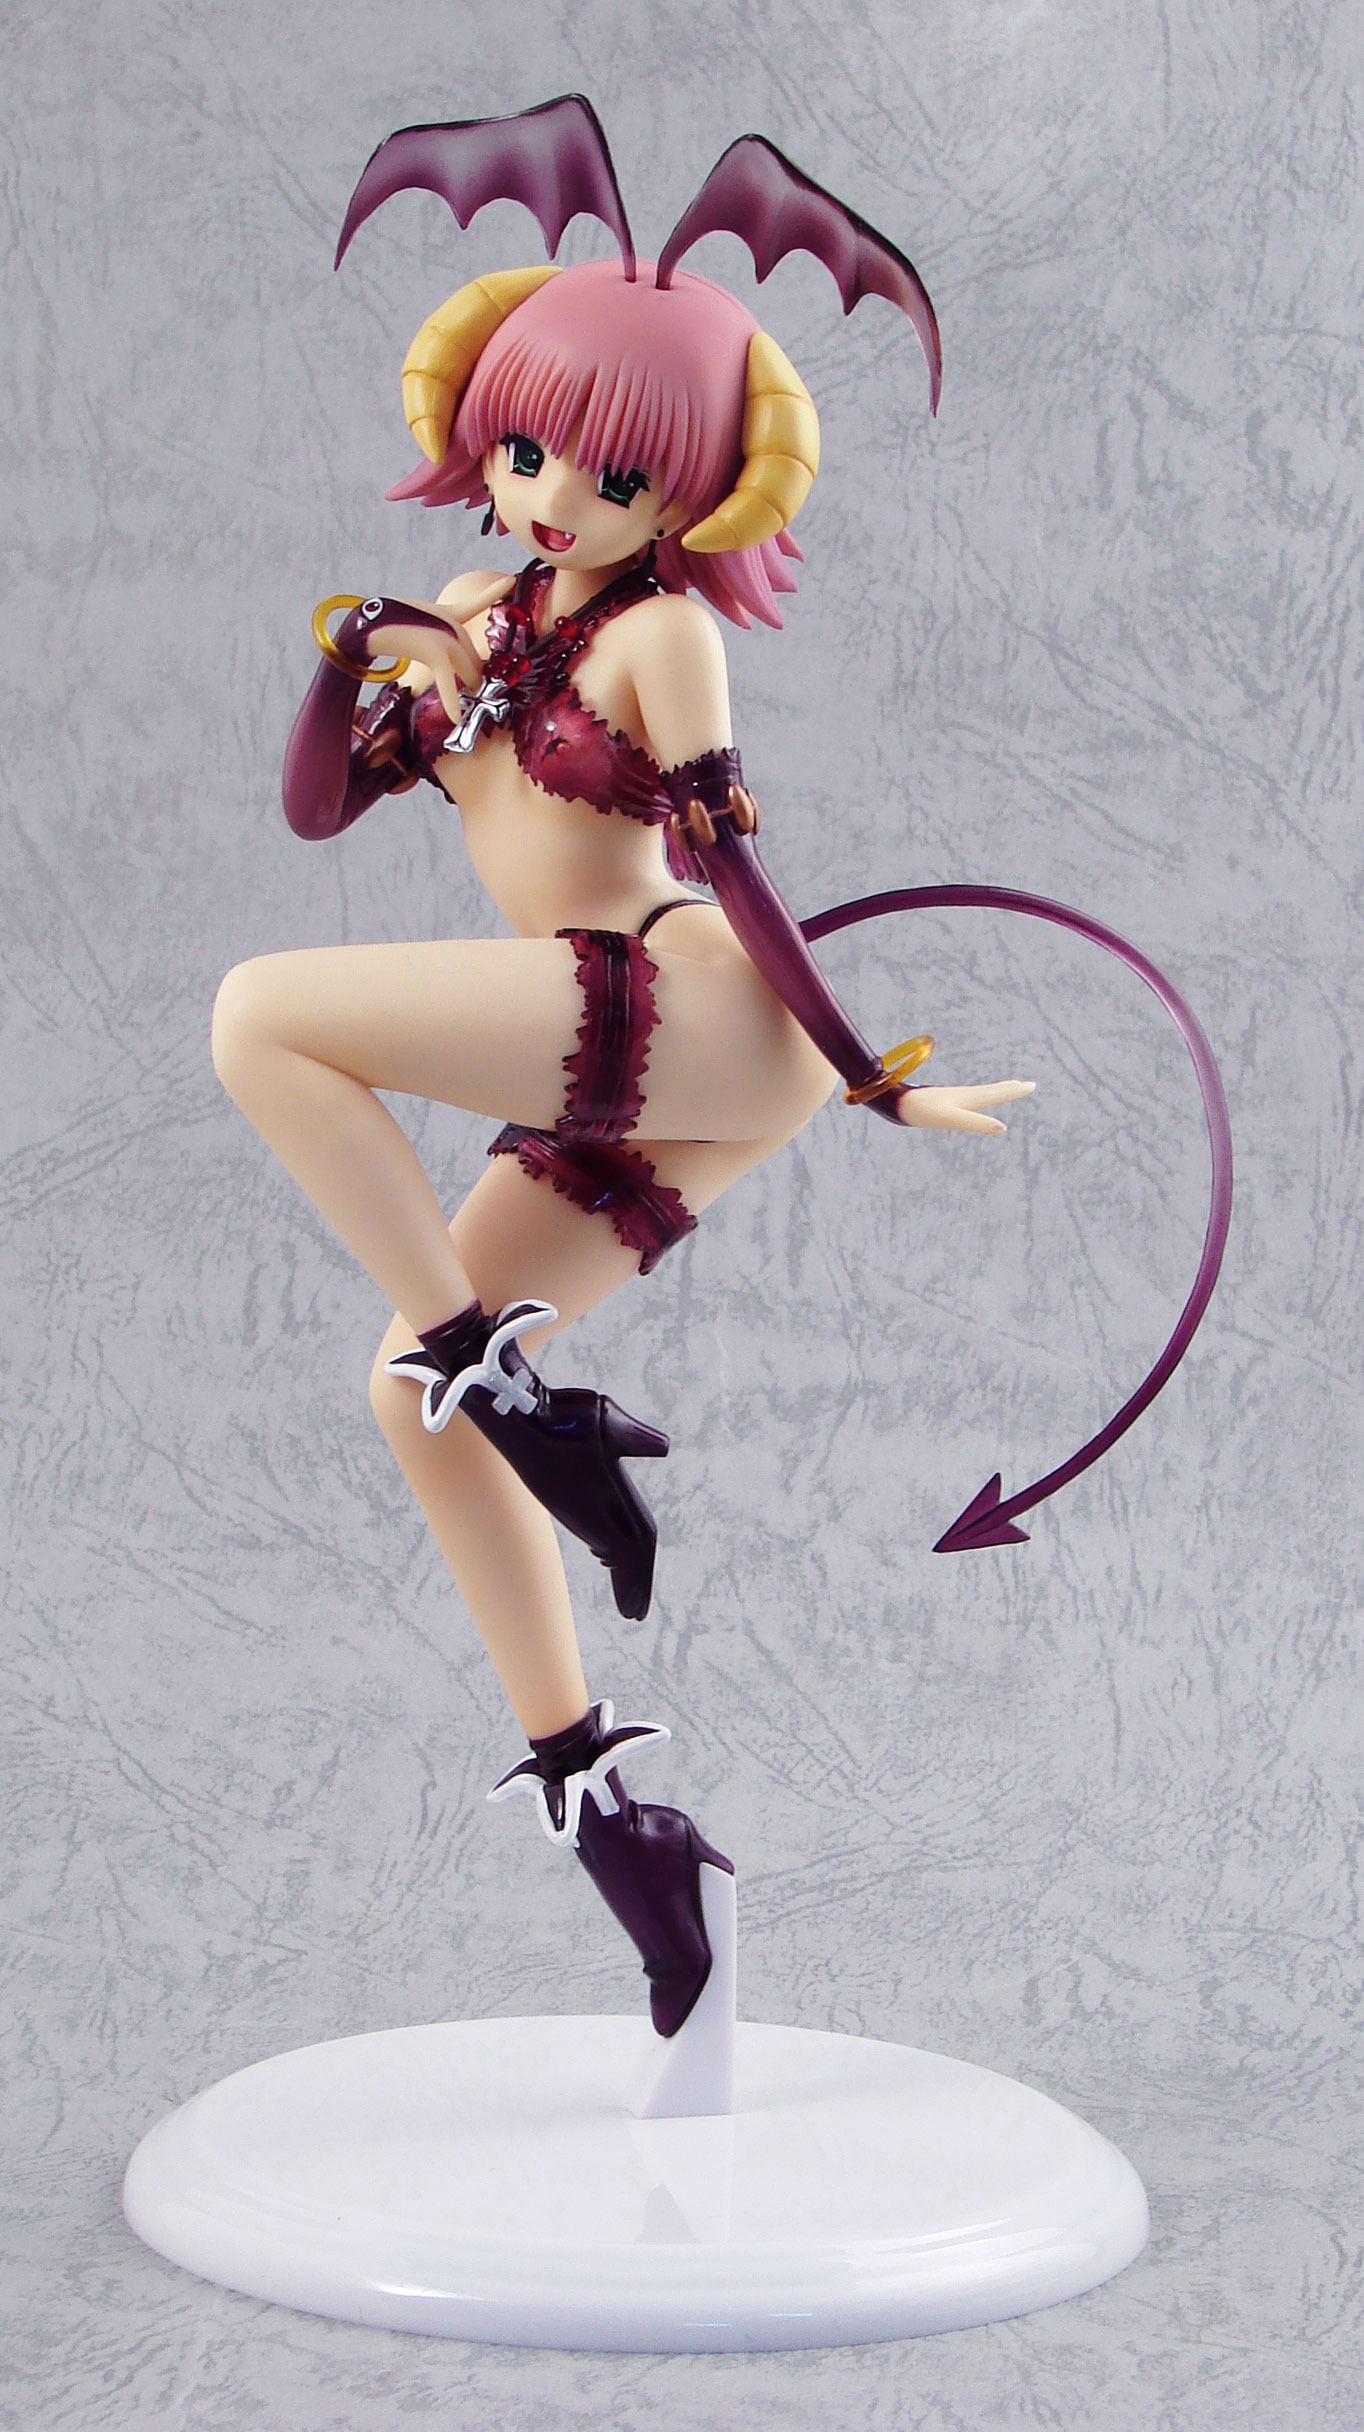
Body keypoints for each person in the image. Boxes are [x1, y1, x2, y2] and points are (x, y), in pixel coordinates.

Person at [210, 99, 1033, 2064]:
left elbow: (739, 873)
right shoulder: (477, 619)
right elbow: (317, 811)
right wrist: (357, 656)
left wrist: (867, 1071)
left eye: (617, 468)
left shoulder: (662, 637)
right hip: (615, 1045)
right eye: (524, 449)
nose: (554, 492)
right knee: (408, 1403)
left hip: (697, 1017)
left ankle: (506, 1381)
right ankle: (617, 1819)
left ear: (699, 492)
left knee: (264, 1019)